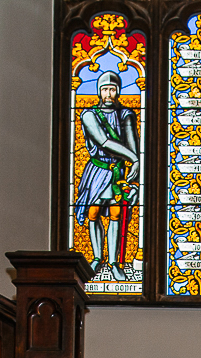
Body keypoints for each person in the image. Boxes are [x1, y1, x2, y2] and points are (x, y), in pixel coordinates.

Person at [74, 70, 140, 281]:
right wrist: (133, 157)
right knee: (93, 213)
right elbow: (103, 142)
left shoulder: (126, 114)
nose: (109, 94)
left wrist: (135, 165)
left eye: (112, 89)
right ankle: (96, 258)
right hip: (97, 170)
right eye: (105, 89)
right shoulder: (89, 115)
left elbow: (132, 144)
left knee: (115, 214)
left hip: (117, 172)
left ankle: (113, 262)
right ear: (99, 91)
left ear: (118, 91)